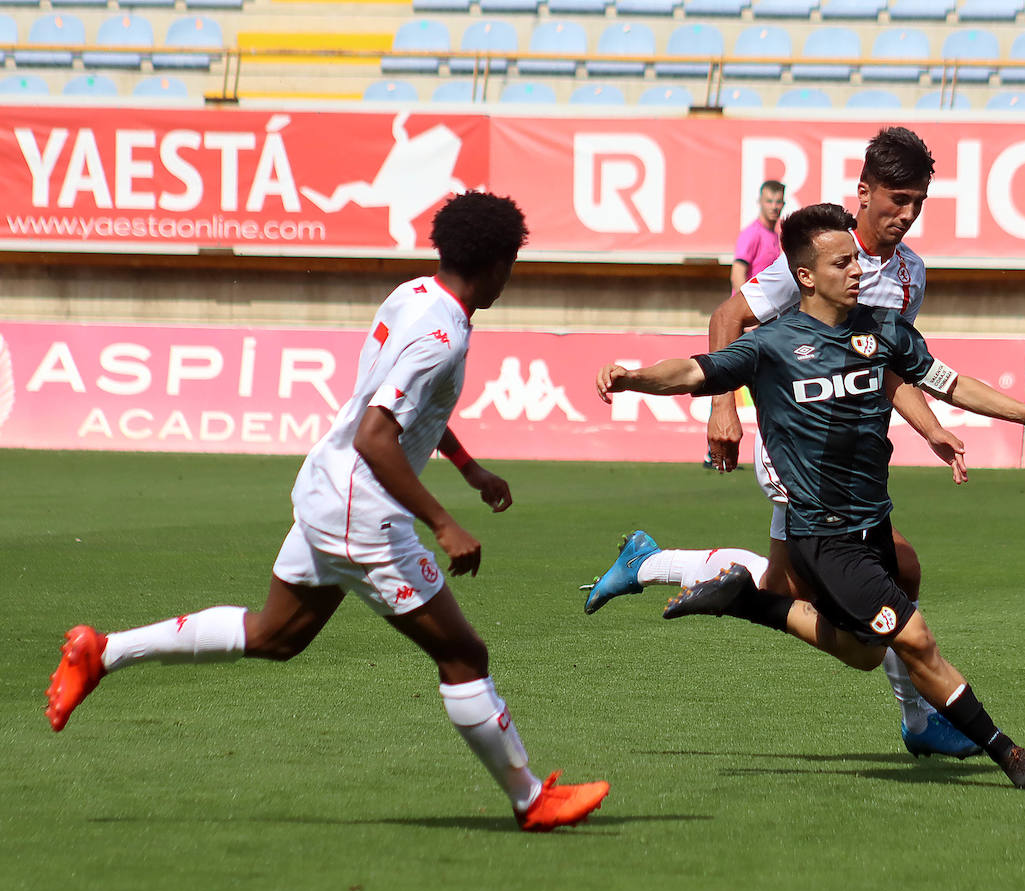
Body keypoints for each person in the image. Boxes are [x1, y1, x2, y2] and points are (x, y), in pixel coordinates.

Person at [43, 191, 609, 832]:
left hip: (325, 487)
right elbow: (376, 435)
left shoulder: (415, 293)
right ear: (499, 262)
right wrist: (443, 522)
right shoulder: (443, 338)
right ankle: (530, 800)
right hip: (361, 511)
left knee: (276, 637)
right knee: (464, 656)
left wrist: (467, 465)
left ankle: (103, 652)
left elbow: (396, 406)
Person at [595, 203, 1025, 789]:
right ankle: (1010, 755)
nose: (857, 270)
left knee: (863, 653)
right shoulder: (771, 346)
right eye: (842, 261)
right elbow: (694, 372)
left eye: (856, 258)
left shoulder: (883, 329)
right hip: (822, 534)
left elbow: (948, 382)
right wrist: (634, 379)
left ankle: (747, 601)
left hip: (873, 523)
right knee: (916, 638)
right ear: (805, 276)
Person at [586, 127, 977, 759]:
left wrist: (931, 428)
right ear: (864, 192)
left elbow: (890, 365)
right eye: (895, 199)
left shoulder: (909, 274)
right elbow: (728, 317)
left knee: (787, 585)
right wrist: (723, 410)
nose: (905, 214)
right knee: (894, 570)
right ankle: (919, 718)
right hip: (796, 438)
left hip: (851, 449)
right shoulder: (819, 254)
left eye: (918, 203)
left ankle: (649, 562)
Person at [730, 180, 786, 295]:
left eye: (778, 202)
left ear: (783, 204)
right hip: (748, 309)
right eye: (769, 201)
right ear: (759, 202)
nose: (774, 207)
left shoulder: (775, 236)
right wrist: (746, 307)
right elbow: (737, 274)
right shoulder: (752, 233)